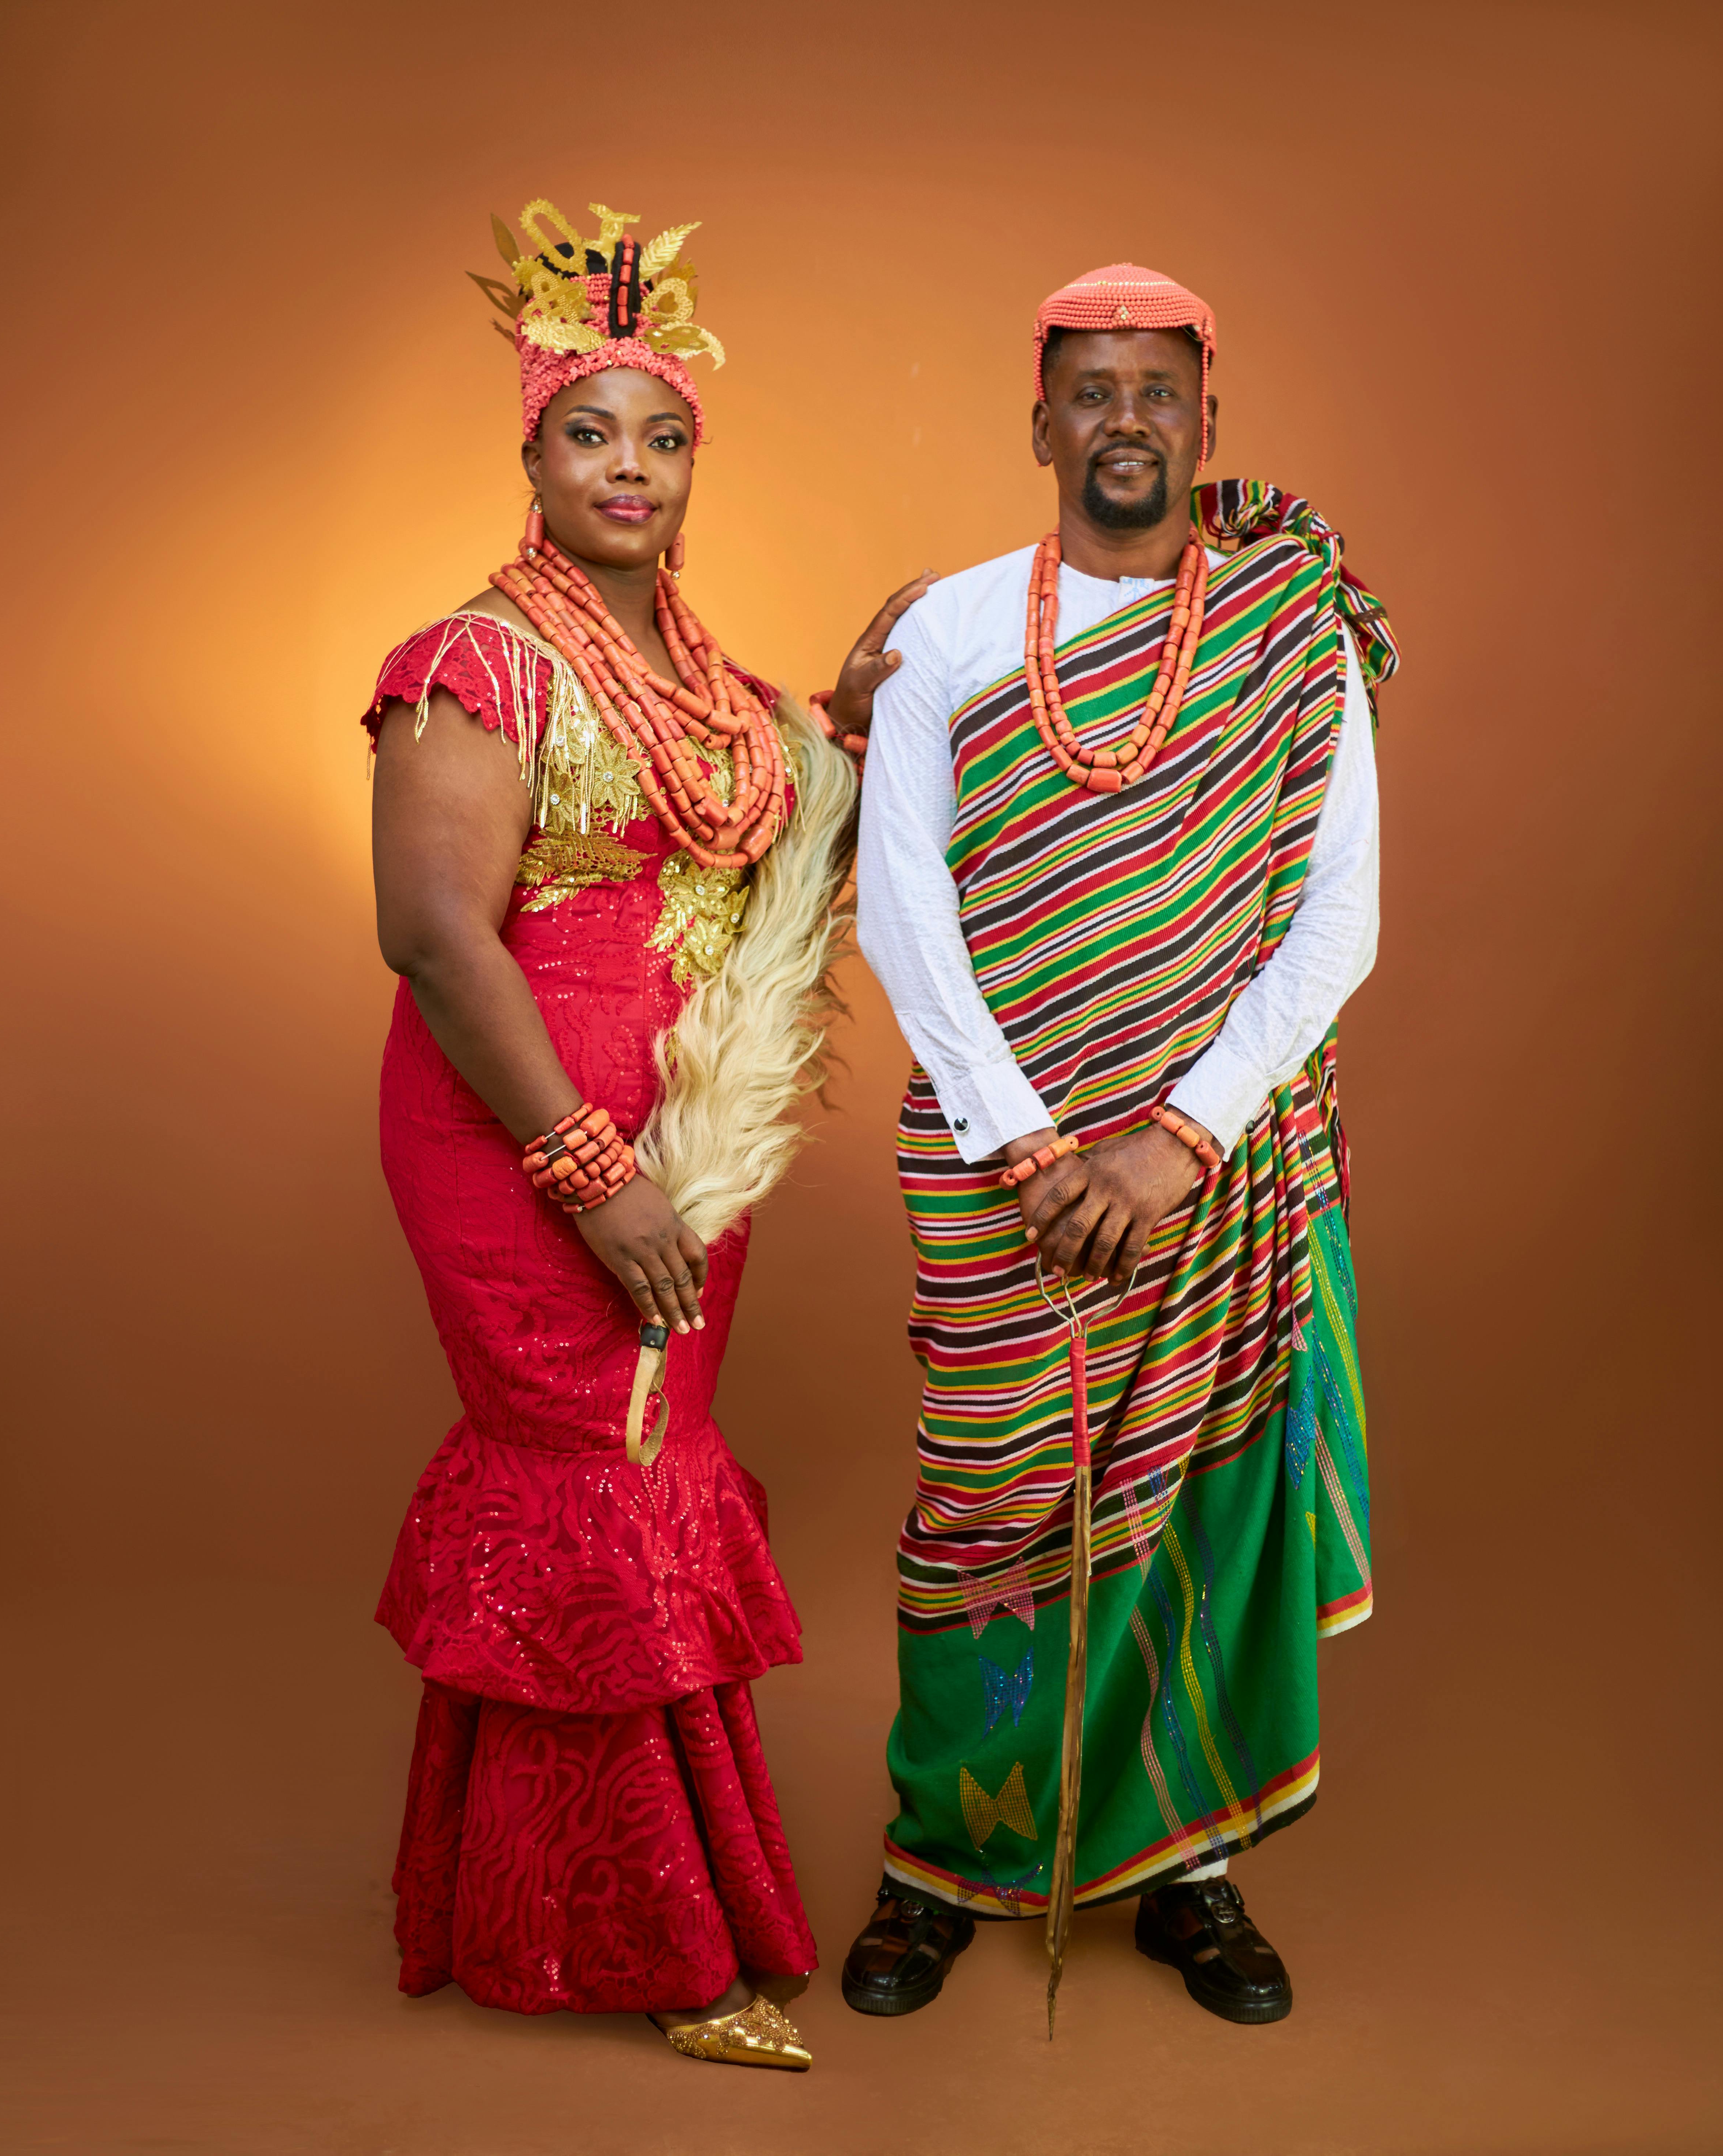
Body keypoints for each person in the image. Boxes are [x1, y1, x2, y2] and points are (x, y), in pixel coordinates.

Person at [827, 263, 1399, 2029]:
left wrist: (1173, 1140)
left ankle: (1188, 1868)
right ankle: (943, 1853)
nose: (1127, 418)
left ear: (1202, 418)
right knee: (991, 1501)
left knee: (1210, 1500)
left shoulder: (1293, 633)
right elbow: (899, 906)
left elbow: (1337, 920)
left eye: (1159, 389)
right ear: (1041, 421)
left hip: (1216, 1163)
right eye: (1094, 389)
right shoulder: (946, 631)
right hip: (1001, 1164)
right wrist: (1027, 1145)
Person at [361, 193, 864, 2070]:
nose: (629, 469)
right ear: (532, 451)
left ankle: (531, 1892)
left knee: (652, 1470)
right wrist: (592, 1166)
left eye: (661, 436)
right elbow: (430, 933)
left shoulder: (717, 691)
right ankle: (643, 1933)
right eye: (591, 433)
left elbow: (786, 822)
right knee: (588, 1474)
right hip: (528, 1148)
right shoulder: (467, 665)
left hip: (690, 1140)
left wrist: (867, 711)